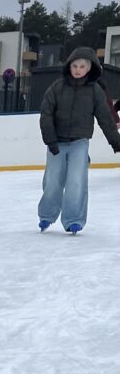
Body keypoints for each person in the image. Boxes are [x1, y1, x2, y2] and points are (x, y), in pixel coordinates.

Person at [37, 47, 120, 234]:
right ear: (69, 66)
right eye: (74, 65)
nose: (77, 69)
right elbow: (46, 114)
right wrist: (50, 140)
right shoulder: (57, 87)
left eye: (82, 66)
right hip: (56, 141)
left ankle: (74, 219)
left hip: (79, 142)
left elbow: (105, 118)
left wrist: (116, 141)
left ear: (89, 68)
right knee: (52, 180)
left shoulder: (95, 91)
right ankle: (46, 215)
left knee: (76, 181)